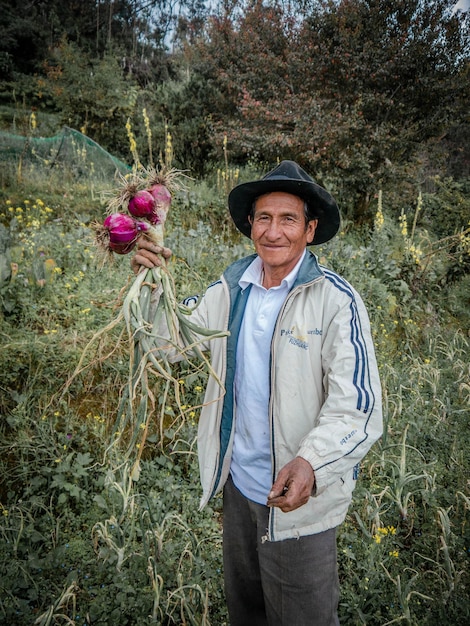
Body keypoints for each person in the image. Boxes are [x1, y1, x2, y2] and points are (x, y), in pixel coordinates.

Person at [132, 160, 383, 626]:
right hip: (240, 491)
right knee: (245, 612)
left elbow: (359, 408)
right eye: (263, 218)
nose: (274, 231)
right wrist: (152, 284)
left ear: (310, 230)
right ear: (251, 225)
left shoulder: (335, 301)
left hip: (298, 505)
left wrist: (310, 461)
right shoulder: (230, 290)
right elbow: (168, 344)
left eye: (288, 219)